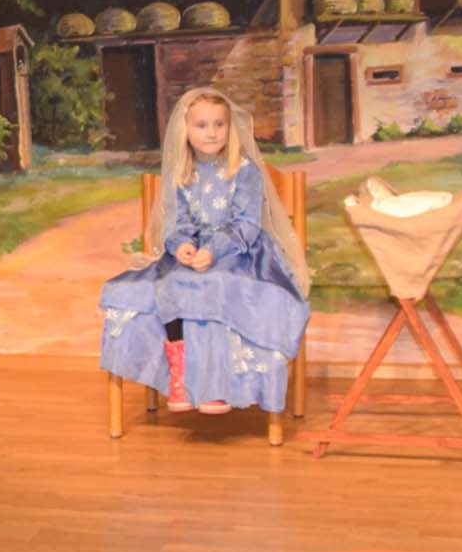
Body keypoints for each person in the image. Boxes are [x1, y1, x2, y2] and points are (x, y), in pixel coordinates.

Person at [98, 86, 309, 415]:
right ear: (186, 129)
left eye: (219, 124)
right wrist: (181, 244)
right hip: (194, 252)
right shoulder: (181, 172)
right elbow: (177, 221)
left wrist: (213, 250)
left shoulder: (245, 170)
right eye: (202, 125)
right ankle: (181, 378)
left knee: (216, 284)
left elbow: (247, 223)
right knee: (173, 283)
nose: (211, 132)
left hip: (239, 253)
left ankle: (215, 385)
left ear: (230, 127)